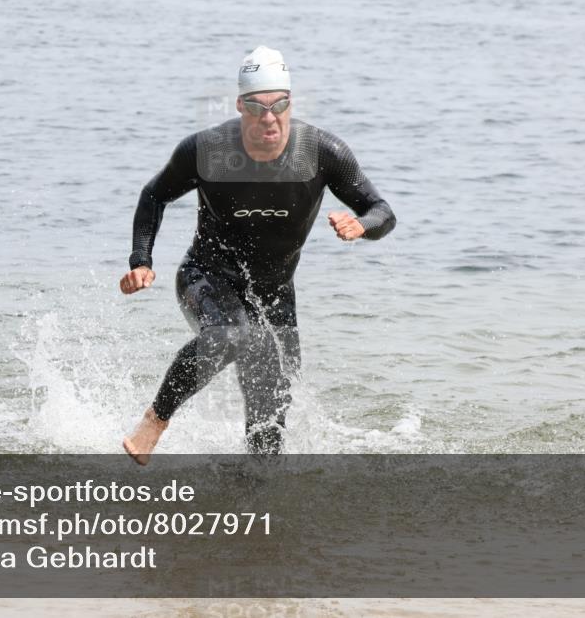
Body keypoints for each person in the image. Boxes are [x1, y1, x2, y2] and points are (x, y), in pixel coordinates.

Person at [120, 46, 396, 464]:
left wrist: (362, 227)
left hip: (275, 293)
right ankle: (155, 420)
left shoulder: (321, 152)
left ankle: (253, 511)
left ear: (290, 102)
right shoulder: (208, 150)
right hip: (207, 277)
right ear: (240, 105)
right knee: (229, 334)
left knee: (269, 427)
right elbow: (154, 195)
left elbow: (383, 212)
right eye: (256, 106)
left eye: (278, 104)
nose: (269, 117)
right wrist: (141, 260)